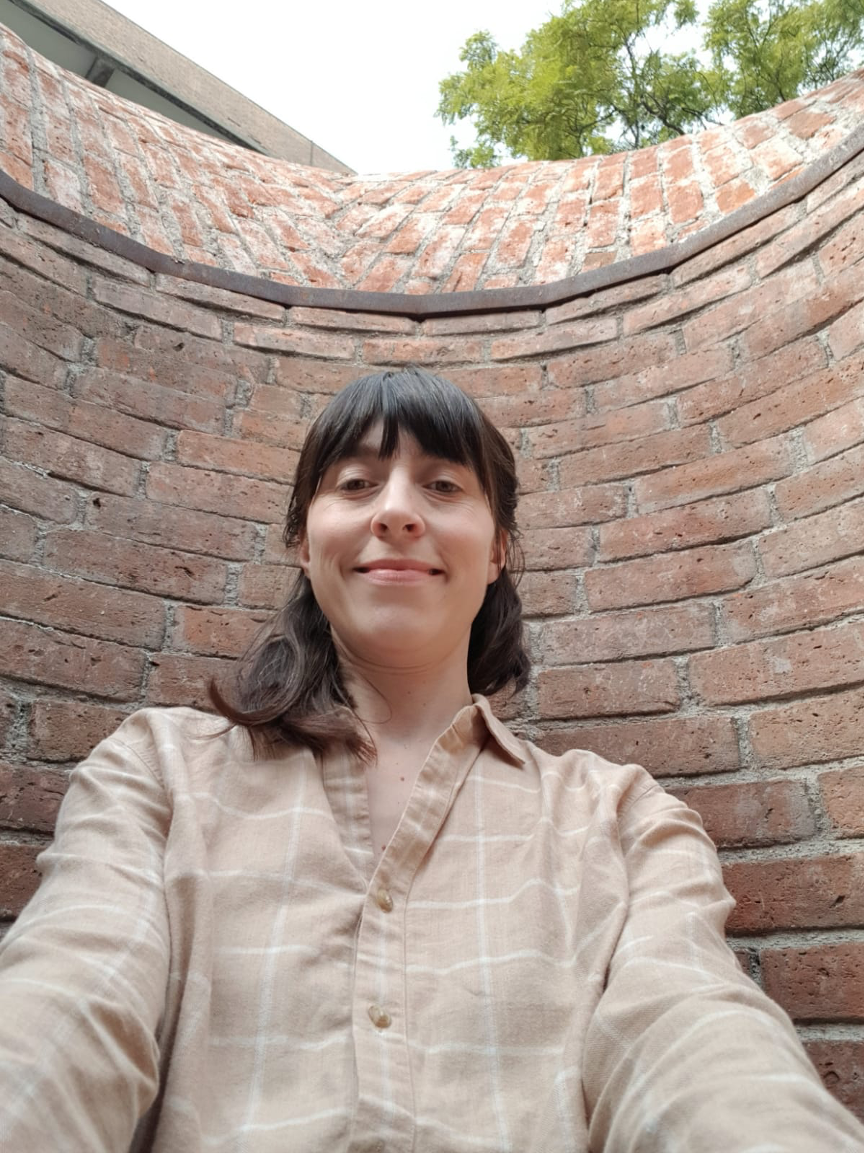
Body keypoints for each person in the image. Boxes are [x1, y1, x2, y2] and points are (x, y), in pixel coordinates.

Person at [0, 368, 861, 1154]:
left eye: (443, 485)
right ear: (303, 539)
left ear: (498, 550)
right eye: (355, 484)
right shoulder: (156, 773)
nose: (396, 512)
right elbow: (71, 1003)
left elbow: (696, 1037)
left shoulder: (624, 819)